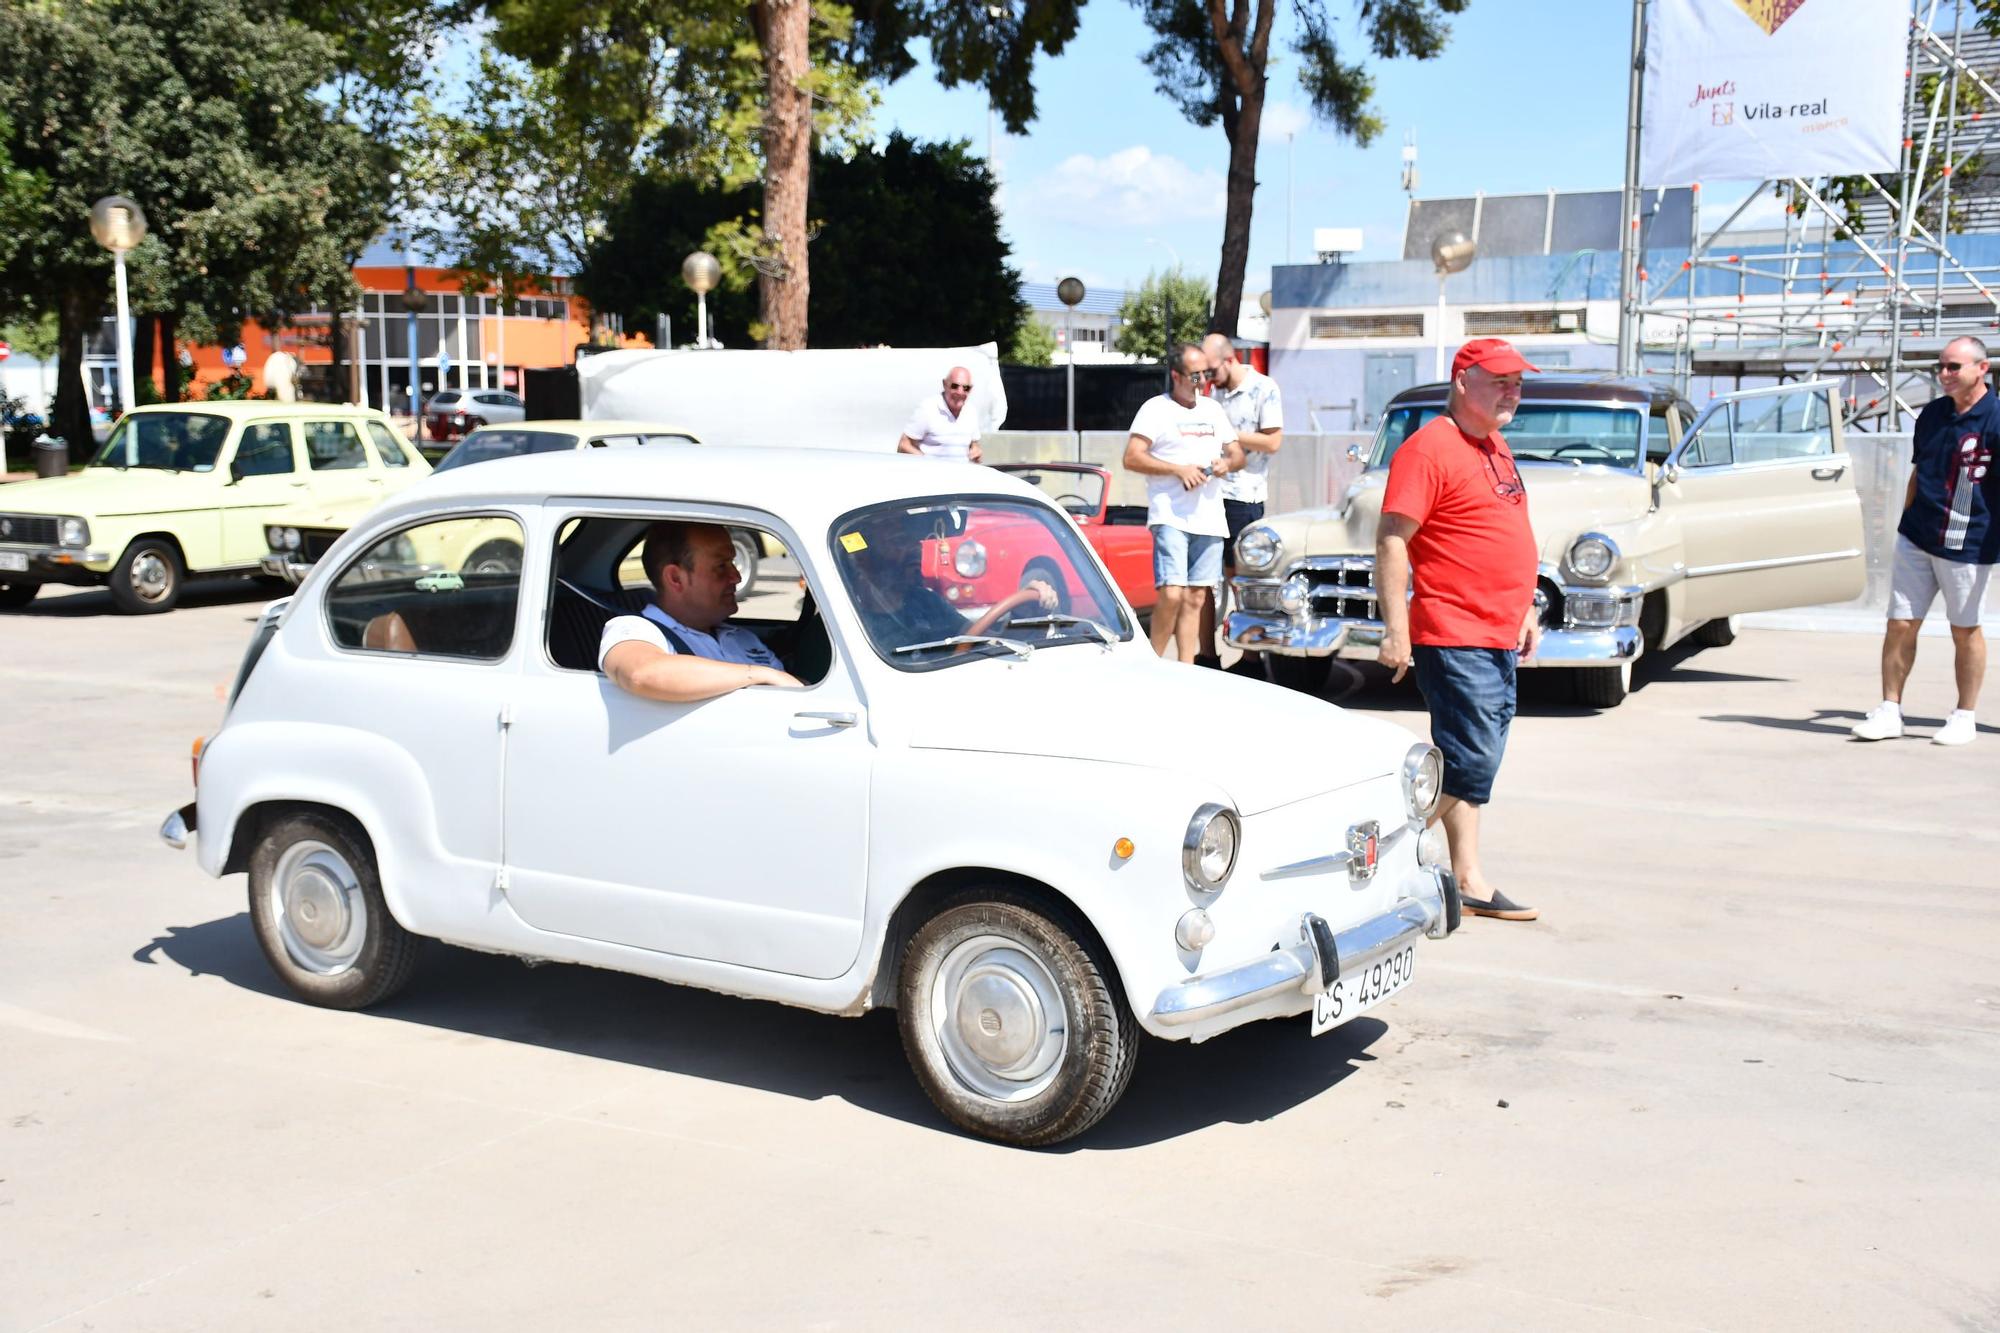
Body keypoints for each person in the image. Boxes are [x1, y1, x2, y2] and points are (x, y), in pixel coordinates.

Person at [1376, 338, 1543, 922]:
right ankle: (1375, 855)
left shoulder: (1494, 445)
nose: (1512, 392)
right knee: (1472, 761)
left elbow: (1504, 531)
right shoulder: (1429, 449)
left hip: (1498, 631)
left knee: (1462, 759)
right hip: (1454, 630)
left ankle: (1467, 878)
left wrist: (1525, 606)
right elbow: (1394, 538)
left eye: (1517, 382)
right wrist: (1397, 628)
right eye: (1500, 381)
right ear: (1462, 380)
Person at [1852, 334, 1998, 746]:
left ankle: (1964, 716)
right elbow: (1919, 473)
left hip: (1969, 544)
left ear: (1981, 369)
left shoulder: (1996, 419)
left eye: (1955, 367)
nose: (1944, 374)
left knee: (1964, 630)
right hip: (1917, 537)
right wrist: (1903, 524)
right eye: (1942, 366)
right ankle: (1889, 710)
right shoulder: (1932, 415)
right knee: (1899, 623)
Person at [1122, 342, 1243, 662]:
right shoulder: (1155, 409)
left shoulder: (1213, 410)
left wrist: (1225, 464)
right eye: (1194, 375)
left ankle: (1185, 669)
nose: (1201, 381)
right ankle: (1151, 662)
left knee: (1196, 598)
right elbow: (1132, 458)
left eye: (1206, 373)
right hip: (1171, 515)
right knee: (1172, 593)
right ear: (1175, 375)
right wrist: (1178, 470)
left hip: (1209, 516)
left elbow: (1237, 454)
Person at [599, 520, 803, 701]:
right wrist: (760, 674)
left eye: (732, 562)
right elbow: (641, 674)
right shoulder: (635, 630)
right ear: (675, 578)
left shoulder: (741, 638)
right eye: (721, 566)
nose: (736, 577)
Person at [839, 507, 1057, 652]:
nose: (914, 549)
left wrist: (1024, 616)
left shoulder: (925, 602)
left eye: (913, 541)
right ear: (862, 558)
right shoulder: (843, 619)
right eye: (897, 541)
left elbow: (983, 640)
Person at [1200, 331, 1283, 661]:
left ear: (1230, 360)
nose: (1207, 379)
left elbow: (1273, 441)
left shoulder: (1263, 388)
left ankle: (1250, 659)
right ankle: (1207, 654)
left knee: (1243, 579)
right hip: (1209, 496)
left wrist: (1230, 436)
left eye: (1212, 371)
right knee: (1204, 577)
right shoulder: (1212, 394)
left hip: (1243, 496)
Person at [897, 367, 983, 462]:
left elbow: (974, 444)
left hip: (961, 475)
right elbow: (903, 445)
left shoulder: (971, 411)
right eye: (954, 386)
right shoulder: (928, 408)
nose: (960, 392)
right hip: (934, 475)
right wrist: (928, 463)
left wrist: (976, 451)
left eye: (966, 388)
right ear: (945, 384)